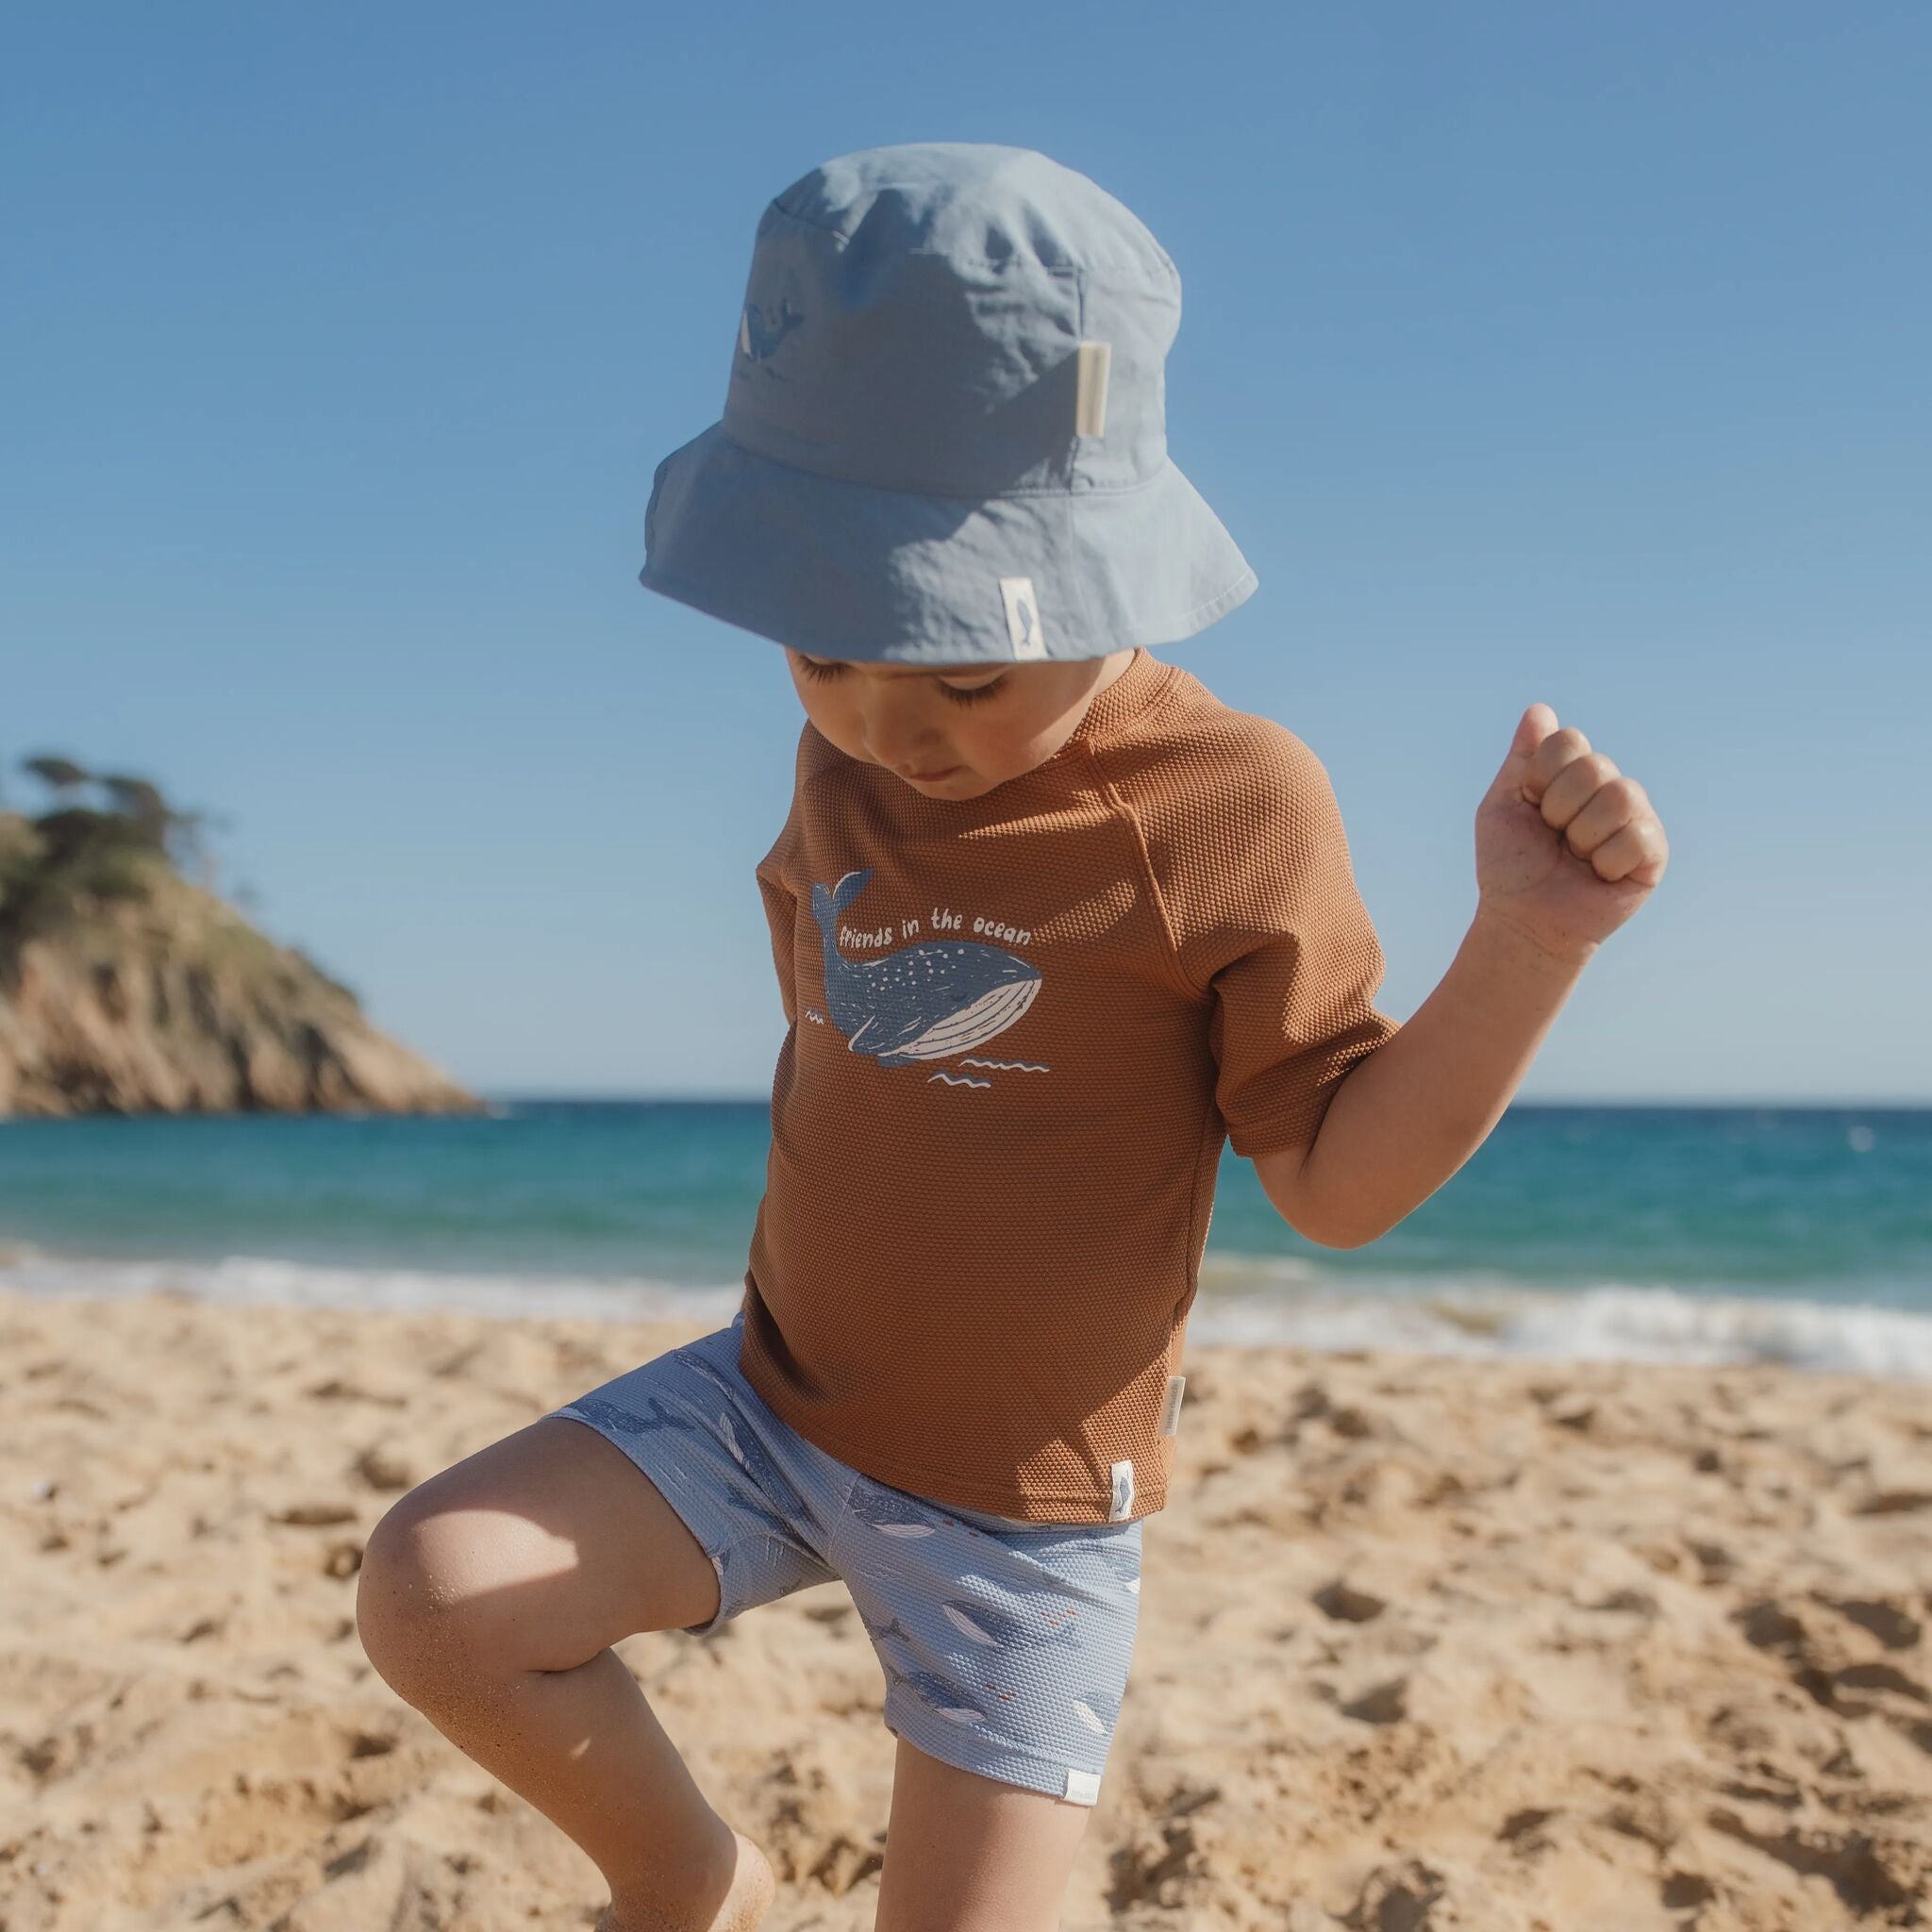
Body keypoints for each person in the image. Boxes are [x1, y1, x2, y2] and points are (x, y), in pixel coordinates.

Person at [355, 142, 1669, 1932]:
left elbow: (1341, 1183)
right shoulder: (844, 754)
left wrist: (1527, 939)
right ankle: (693, 1882)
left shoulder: (1227, 803)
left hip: (1020, 1521)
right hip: (771, 1402)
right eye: (830, 652)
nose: (899, 728)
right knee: (435, 1593)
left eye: (966, 669)